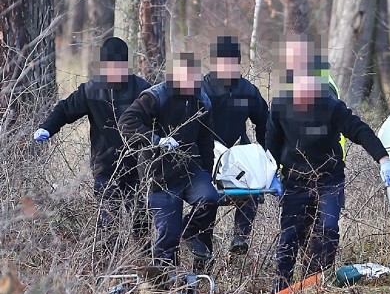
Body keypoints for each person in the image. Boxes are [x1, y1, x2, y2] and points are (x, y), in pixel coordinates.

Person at [266, 35, 390, 290]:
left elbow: (360, 131)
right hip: (295, 179)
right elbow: (271, 143)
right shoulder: (280, 106)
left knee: (327, 228)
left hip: (329, 178)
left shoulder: (331, 106)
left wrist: (384, 160)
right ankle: (280, 287)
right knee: (291, 235)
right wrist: (269, 174)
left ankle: (317, 281)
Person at [34, 37, 150, 243]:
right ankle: (109, 269)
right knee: (110, 221)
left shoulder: (142, 90)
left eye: (119, 66)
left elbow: (159, 118)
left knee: (141, 219)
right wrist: (47, 128)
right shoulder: (92, 90)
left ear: (126, 65)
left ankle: (142, 262)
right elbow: (64, 109)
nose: (114, 72)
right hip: (105, 168)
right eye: (109, 67)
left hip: (138, 168)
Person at [118, 53, 219, 266]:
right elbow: (127, 121)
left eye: (196, 76)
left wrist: (208, 172)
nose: (194, 81)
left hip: (189, 169)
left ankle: (190, 232)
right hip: (159, 174)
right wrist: (156, 140)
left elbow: (205, 138)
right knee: (167, 237)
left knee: (209, 198)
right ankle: (165, 286)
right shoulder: (155, 96)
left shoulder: (201, 100)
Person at [201, 36, 269, 254]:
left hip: (238, 155)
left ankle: (240, 239)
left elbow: (264, 122)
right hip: (206, 156)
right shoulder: (202, 89)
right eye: (222, 62)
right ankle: (202, 257)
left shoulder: (248, 91)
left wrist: (267, 156)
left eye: (232, 62)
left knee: (251, 190)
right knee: (206, 203)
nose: (228, 67)